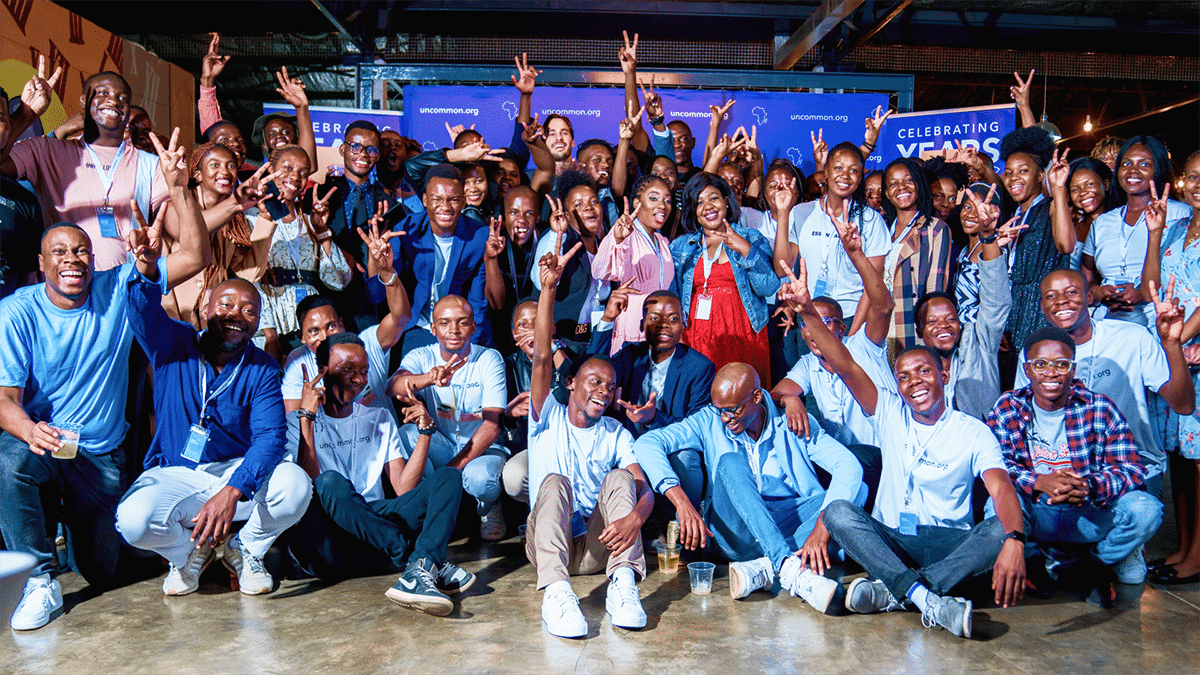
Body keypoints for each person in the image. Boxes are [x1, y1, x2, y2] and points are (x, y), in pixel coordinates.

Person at [0, 130, 211, 631]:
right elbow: (4, 399)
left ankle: (76, 545)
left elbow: (197, 257)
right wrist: (29, 430)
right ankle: (39, 578)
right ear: (41, 263)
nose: (72, 260)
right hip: (45, 445)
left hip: (100, 456)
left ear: (93, 260)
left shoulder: (115, 289)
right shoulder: (15, 311)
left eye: (80, 252)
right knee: (8, 462)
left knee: (100, 570)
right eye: (60, 253)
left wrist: (180, 189)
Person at [782, 259, 1028, 640]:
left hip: (950, 545)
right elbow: (845, 363)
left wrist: (1014, 540)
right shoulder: (890, 413)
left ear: (943, 376)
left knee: (1005, 524)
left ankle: (898, 592)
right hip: (895, 540)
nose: (916, 381)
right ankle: (927, 599)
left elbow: (1002, 490)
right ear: (895, 385)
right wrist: (807, 310)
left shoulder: (973, 431)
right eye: (905, 376)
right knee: (837, 512)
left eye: (925, 372)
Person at [116, 269, 312, 598]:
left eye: (249, 310)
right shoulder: (173, 341)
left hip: (236, 472)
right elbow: (141, 310)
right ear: (206, 307)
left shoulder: (262, 366)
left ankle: (245, 548)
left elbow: (270, 437)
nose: (237, 315)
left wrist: (234, 490)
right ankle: (189, 555)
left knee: (295, 485)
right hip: (180, 472)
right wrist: (146, 272)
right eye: (226, 304)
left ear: (257, 321)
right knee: (133, 520)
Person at [634, 361, 865, 611]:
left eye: (733, 410)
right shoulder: (709, 420)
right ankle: (790, 568)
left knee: (857, 491)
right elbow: (647, 443)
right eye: (720, 409)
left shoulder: (794, 420)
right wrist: (682, 503)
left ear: (756, 396)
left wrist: (821, 527)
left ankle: (766, 567)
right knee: (730, 462)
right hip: (734, 532)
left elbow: (849, 467)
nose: (725, 419)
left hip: (787, 522)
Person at [284, 332, 471, 616]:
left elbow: (403, 490)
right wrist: (306, 419)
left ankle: (417, 570)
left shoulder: (378, 417)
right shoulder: (296, 422)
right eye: (348, 370)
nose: (359, 379)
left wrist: (425, 433)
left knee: (448, 477)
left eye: (364, 371)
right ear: (322, 372)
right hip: (326, 546)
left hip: (374, 540)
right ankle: (419, 561)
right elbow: (304, 490)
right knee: (328, 483)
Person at [526, 232, 654, 638]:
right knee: (554, 482)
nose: (603, 390)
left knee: (623, 478)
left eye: (610, 386)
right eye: (594, 381)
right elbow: (544, 354)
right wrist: (548, 290)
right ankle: (557, 594)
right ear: (572, 383)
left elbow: (644, 488)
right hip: (551, 546)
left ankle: (624, 586)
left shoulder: (615, 432)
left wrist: (635, 517)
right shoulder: (545, 415)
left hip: (601, 547)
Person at [1016, 268, 1195, 555]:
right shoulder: (1037, 351)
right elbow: (1026, 425)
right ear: (1042, 306)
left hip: (1127, 470)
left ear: (1090, 296)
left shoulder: (1131, 337)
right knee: (1003, 504)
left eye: (1072, 292)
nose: (1061, 301)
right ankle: (1060, 553)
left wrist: (1172, 345)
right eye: (1051, 296)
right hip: (1059, 468)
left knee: (1145, 513)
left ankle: (1099, 560)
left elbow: (1183, 404)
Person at [987, 326, 1161, 607]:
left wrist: (1089, 485)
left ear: (1073, 369)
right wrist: (1039, 482)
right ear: (1027, 369)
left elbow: (1131, 468)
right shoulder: (1008, 406)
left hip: (1087, 514)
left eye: (1061, 364)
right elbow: (996, 465)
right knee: (992, 506)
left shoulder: (1100, 407)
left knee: (1146, 509)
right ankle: (1032, 559)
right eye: (1040, 364)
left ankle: (1094, 563)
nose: (1051, 372)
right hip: (1037, 513)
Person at [771, 204, 895, 511]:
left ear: (841, 328)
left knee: (850, 462)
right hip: (841, 461)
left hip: (880, 457)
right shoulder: (810, 363)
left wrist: (856, 255)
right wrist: (792, 400)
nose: (814, 332)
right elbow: (779, 392)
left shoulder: (863, 345)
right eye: (809, 324)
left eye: (825, 323)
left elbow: (883, 307)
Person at [3, 67, 169, 272]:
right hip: (63, 291)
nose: (114, 101)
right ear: (83, 100)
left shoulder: (151, 165)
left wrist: (180, 188)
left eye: (122, 98)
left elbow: (187, 237)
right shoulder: (45, 150)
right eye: (103, 93)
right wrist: (28, 114)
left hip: (125, 293)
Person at [388, 295, 508, 541]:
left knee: (480, 479)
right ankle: (430, 512)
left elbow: (493, 426)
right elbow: (394, 386)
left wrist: (452, 470)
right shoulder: (422, 355)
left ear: (473, 327)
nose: (453, 330)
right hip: (442, 443)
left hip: (483, 450)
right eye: (444, 323)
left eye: (462, 322)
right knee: (407, 435)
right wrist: (429, 379)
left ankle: (488, 506)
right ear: (433, 329)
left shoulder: (489, 359)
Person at [590, 289, 716, 511]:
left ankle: (679, 526)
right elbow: (593, 373)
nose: (663, 325)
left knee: (686, 457)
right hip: (628, 445)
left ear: (684, 325)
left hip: (669, 448)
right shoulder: (630, 354)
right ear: (641, 325)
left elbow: (698, 428)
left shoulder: (700, 367)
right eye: (655, 318)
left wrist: (653, 418)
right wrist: (608, 318)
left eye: (673, 319)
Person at [962, 127, 1065, 385]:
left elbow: (1065, 245)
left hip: (1039, 320)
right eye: (1008, 173)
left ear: (1041, 174)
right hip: (1010, 322)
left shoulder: (1050, 207)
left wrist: (1060, 190)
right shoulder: (1013, 215)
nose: (1013, 178)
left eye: (1023, 171)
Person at [280, 218, 411, 417]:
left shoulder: (367, 342)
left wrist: (386, 270)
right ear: (302, 337)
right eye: (314, 331)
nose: (325, 336)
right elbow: (293, 419)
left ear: (342, 324)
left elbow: (400, 317)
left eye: (331, 326)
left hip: (382, 443)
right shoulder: (298, 362)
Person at [1142, 151, 1200, 585]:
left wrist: (1180, 338)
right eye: (1194, 176)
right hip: (1174, 350)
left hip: (1188, 348)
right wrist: (1155, 233)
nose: (1199, 184)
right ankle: (1182, 546)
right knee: (1179, 459)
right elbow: (1154, 285)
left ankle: (1197, 557)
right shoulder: (1177, 228)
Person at [369, 163, 491, 355]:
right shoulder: (408, 228)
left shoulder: (480, 236)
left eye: (453, 200)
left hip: (458, 332)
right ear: (425, 200)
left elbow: (478, 299)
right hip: (417, 325)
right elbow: (377, 295)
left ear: (463, 201)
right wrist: (376, 262)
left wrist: (471, 345)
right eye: (437, 199)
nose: (445, 207)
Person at [671, 173, 779, 385]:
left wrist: (746, 250)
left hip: (743, 334)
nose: (707, 206)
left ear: (726, 201)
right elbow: (673, 295)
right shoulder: (681, 246)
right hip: (696, 336)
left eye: (713, 198)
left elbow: (769, 287)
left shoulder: (751, 237)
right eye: (699, 202)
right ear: (692, 209)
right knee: (702, 398)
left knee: (743, 397)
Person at [774, 142, 889, 335]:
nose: (845, 175)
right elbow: (781, 267)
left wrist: (853, 332)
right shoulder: (802, 212)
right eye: (838, 168)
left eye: (853, 170)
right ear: (826, 172)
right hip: (811, 314)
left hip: (851, 316)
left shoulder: (871, 219)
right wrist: (784, 213)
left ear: (860, 178)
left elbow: (873, 285)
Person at [920, 186, 1014, 420]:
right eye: (967, 207)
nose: (971, 213)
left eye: (949, 318)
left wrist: (989, 238)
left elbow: (996, 300)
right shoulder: (959, 251)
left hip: (979, 336)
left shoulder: (998, 248)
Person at [254, 145, 353, 361]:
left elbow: (339, 281)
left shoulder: (311, 221)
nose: (295, 177)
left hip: (311, 328)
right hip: (268, 324)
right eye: (287, 168)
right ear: (270, 169)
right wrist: (270, 334)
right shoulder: (251, 220)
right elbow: (250, 277)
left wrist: (323, 233)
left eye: (303, 172)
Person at [1082, 136, 1190, 325]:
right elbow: (1087, 279)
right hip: (1108, 322)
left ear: (1158, 169)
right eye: (1126, 163)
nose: (1133, 170)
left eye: (1145, 164)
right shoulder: (1102, 223)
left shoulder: (1180, 214)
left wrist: (1142, 293)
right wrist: (1098, 292)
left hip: (1159, 321)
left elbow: (1189, 275)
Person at [314, 120, 397, 333]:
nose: (363, 154)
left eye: (371, 149)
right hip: (325, 300)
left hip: (371, 305)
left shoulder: (390, 205)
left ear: (377, 155)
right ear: (343, 149)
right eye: (356, 147)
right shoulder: (321, 195)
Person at [593, 175, 675, 353]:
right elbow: (600, 270)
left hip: (659, 326)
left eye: (667, 200)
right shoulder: (625, 232)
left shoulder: (662, 242)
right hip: (632, 324)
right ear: (637, 203)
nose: (662, 205)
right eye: (653, 198)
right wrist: (618, 239)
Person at [880, 157, 952, 354]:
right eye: (893, 183)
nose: (901, 187)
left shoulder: (935, 229)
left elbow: (934, 290)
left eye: (908, 180)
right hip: (878, 324)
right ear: (886, 193)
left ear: (919, 184)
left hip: (910, 324)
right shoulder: (880, 229)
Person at [531, 172, 610, 341]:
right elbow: (541, 281)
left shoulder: (605, 245)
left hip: (593, 339)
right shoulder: (557, 239)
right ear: (566, 216)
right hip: (560, 342)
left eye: (594, 201)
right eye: (579, 204)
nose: (588, 207)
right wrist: (556, 234)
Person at [483, 185, 542, 355]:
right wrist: (491, 259)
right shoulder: (494, 243)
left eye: (529, 213)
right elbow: (497, 303)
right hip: (499, 333)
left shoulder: (546, 244)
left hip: (536, 331)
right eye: (514, 212)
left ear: (538, 217)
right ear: (504, 216)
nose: (521, 220)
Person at [0, 84, 44, 299]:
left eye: (0, 117)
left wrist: (27, 114)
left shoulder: (25, 202)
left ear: (8, 128)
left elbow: (28, 282)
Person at [1047, 153, 1112, 270]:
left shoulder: (1117, 222)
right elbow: (1064, 247)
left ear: (1106, 185)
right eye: (1075, 189)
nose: (1082, 193)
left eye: (1089, 184)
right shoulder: (1071, 224)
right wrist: (1058, 187)